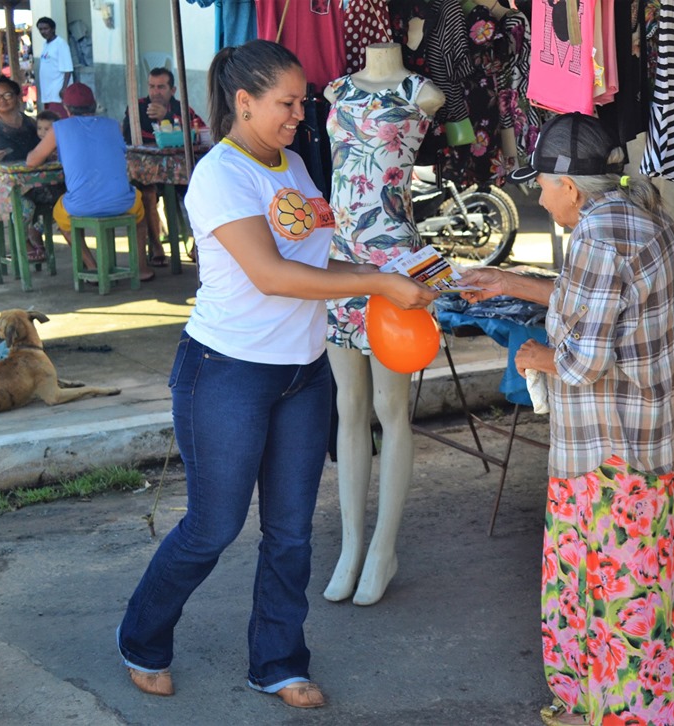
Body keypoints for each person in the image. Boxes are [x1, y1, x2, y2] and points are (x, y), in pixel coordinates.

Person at [115, 39, 436, 709]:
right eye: (288, 103)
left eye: (303, 102)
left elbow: (317, 260)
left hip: (302, 373)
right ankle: (142, 639)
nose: (301, 114)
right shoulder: (222, 175)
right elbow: (270, 274)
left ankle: (279, 661)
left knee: (291, 532)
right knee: (213, 526)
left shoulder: (291, 165)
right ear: (244, 102)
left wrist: (396, 278)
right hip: (227, 373)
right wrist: (375, 280)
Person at [459, 112, 674, 726]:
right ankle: (598, 706)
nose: (537, 196)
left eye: (541, 184)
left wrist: (539, 354)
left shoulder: (597, 233)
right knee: (635, 585)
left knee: (614, 594)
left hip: (611, 449)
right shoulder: (640, 215)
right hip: (645, 442)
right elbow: (591, 295)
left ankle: (619, 715)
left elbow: (583, 360)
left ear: (569, 186)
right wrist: (508, 280)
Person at [322, 42, 445, 607]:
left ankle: (383, 548)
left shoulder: (422, 94)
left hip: (393, 260)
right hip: (340, 259)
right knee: (348, 406)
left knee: (390, 410)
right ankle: (350, 545)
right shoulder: (334, 90)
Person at [25, 83, 153, 282]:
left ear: (66, 109)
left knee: (60, 216)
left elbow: (32, 161)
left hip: (81, 205)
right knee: (140, 218)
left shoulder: (59, 128)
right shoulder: (114, 125)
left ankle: (93, 268)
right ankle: (142, 268)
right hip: (122, 202)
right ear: (94, 105)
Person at [122, 67, 207, 267]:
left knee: (196, 193)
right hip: (146, 174)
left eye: (161, 87)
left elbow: (201, 130)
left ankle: (197, 245)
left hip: (181, 173)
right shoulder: (137, 108)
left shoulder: (181, 108)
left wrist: (169, 117)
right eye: (152, 86)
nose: (155, 92)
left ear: (173, 90)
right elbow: (128, 138)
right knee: (148, 195)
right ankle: (156, 247)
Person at [0, 77, 49, 262]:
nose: (2, 100)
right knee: (24, 206)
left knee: (60, 197)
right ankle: (23, 243)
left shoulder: (30, 122)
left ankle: (34, 231)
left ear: (18, 96)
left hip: (30, 182)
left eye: (7, 95)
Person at [35, 17, 73, 119]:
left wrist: (64, 88)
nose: (43, 31)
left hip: (57, 91)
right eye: (40, 29)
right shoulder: (46, 45)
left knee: (59, 119)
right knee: (50, 120)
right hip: (47, 92)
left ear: (53, 29)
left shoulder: (60, 44)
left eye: (46, 28)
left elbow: (68, 68)